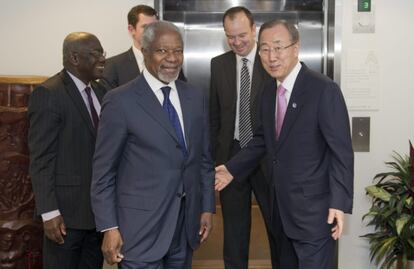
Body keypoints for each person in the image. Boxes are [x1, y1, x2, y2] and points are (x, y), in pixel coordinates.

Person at [215, 19, 354, 269]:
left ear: (296, 47)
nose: (271, 56)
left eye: (279, 47)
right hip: (280, 211)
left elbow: (341, 152)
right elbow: (263, 140)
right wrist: (232, 168)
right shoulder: (269, 92)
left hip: (314, 213)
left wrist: (339, 203)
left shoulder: (323, 90)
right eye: (265, 49)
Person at [91, 21, 215, 269]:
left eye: (178, 51)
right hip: (139, 230)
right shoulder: (120, 101)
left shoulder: (195, 96)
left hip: (184, 227)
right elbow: (104, 172)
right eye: (162, 51)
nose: (172, 58)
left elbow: (203, 160)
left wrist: (206, 208)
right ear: (144, 51)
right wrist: (109, 227)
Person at [28, 32, 107, 269]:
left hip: (97, 215)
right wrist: (49, 212)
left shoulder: (101, 92)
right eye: (96, 53)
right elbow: (41, 158)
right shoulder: (49, 93)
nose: (103, 59)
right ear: (74, 57)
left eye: (104, 53)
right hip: (65, 218)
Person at [209, 6, 276, 269]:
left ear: (254, 30)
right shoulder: (219, 64)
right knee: (234, 232)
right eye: (230, 36)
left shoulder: (271, 61)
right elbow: (214, 116)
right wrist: (216, 159)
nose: (236, 42)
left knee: (276, 225)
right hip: (232, 158)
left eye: (241, 35)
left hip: (266, 156)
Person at [102, 4, 185, 88]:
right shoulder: (112, 66)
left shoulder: (172, 62)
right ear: (131, 30)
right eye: (145, 27)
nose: (152, 32)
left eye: (155, 27)